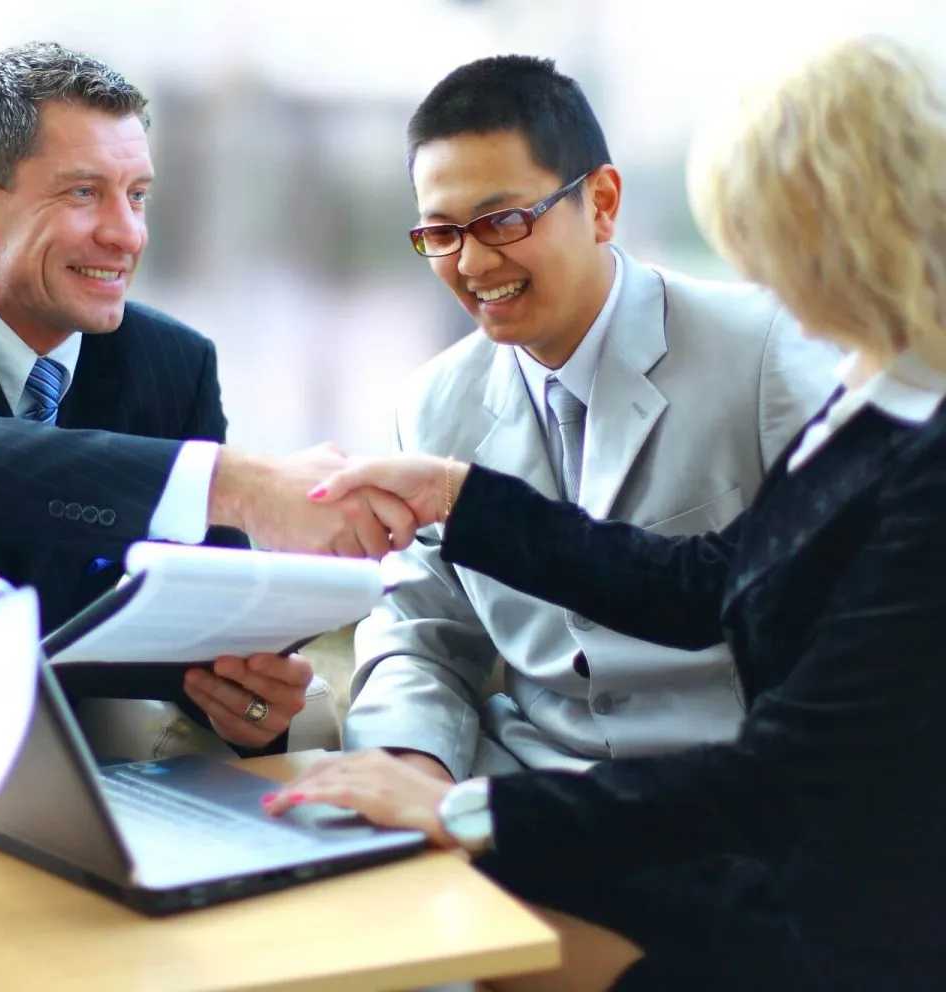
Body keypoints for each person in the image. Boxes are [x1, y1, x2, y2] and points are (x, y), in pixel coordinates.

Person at [269, 36, 946, 990]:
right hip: (619, 811)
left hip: (776, 865)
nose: (767, 278)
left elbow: (790, 773)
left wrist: (467, 816)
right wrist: (457, 500)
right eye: (439, 232)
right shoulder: (876, 391)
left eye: (780, 245)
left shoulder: (811, 376)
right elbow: (707, 580)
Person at [0, 42, 415, 752]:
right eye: (82, 192)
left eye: (137, 195)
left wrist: (245, 704)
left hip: (59, 791)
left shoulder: (172, 365)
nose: (127, 234)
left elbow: (199, 633)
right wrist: (240, 485)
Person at [342, 54, 834, 785]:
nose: (472, 263)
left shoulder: (762, 348)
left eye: (503, 220)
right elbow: (420, 633)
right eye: (441, 234)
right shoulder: (432, 402)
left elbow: (827, 616)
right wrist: (412, 765)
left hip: (727, 797)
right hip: (520, 787)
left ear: (602, 203)